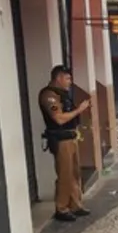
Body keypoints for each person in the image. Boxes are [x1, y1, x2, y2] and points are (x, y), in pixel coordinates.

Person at [39, 65, 91, 222]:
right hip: (61, 140)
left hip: (71, 137)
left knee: (74, 173)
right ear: (58, 78)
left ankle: (75, 205)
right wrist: (79, 110)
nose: (70, 81)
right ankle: (61, 208)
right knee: (65, 174)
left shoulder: (63, 94)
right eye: (67, 78)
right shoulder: (49, 95)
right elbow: (59, 118)